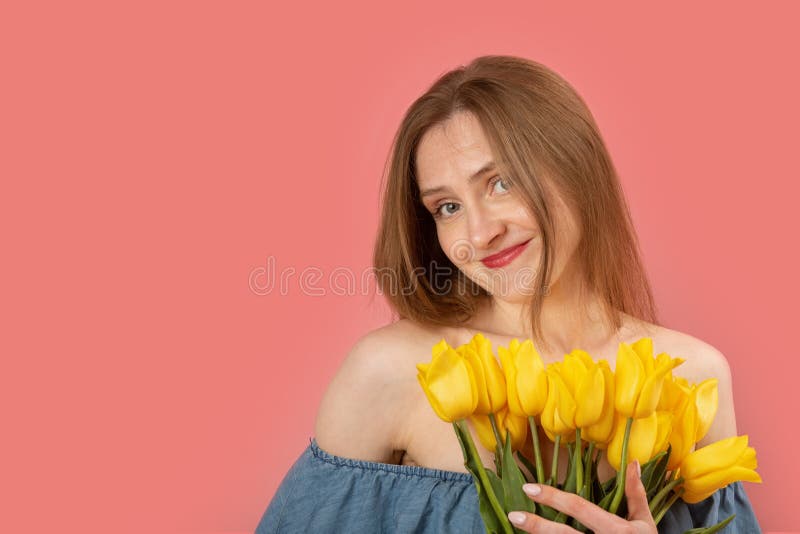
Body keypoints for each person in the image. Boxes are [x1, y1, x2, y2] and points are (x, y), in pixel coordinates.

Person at [255, 55, 761, 533]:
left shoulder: (690, 377)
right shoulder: (394, 371)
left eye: (501, 183)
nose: (478, 234)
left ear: (577, 166)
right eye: (447, 207)